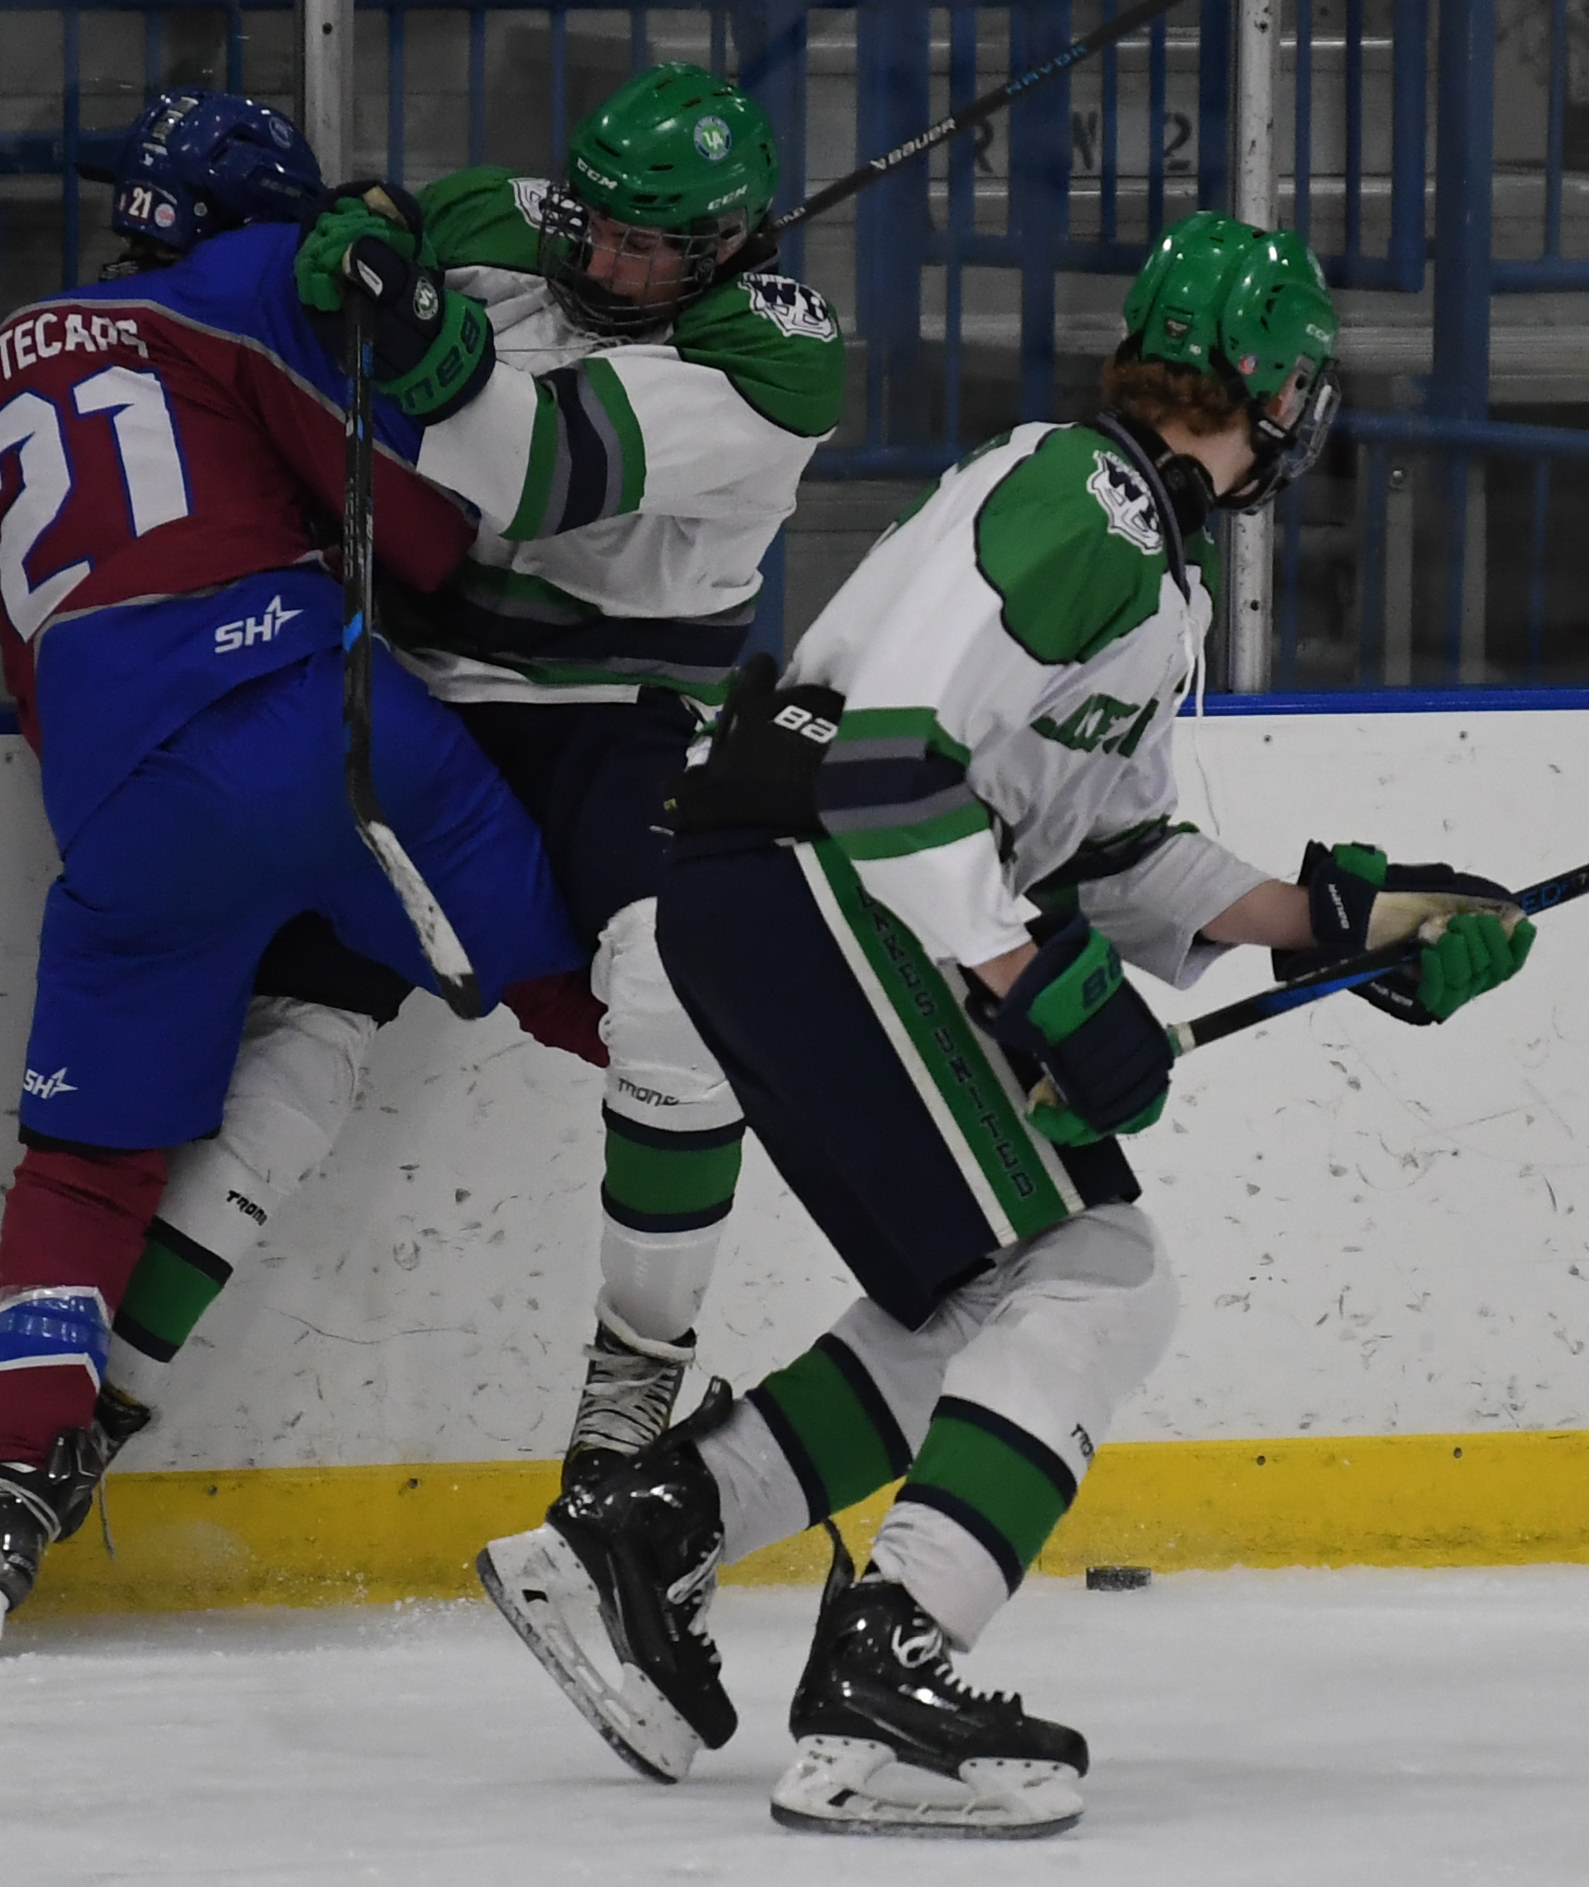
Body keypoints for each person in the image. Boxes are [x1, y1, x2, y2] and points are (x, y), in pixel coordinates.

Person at [477, 212, 1537, 1833]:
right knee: (1099, 1272)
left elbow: (1104, 854)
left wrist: (1343, 923)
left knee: (986, 1297)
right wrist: (1025, 977)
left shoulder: (1139, 556)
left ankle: (649, 1531)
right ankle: (889, 1672)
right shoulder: (1087, 501)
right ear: (1261, 390)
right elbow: (886, 761)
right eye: (1300, 389)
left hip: (793, 894)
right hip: (821, 885)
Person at [0, 89, 586, 1653]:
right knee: (596, 999)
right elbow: (418, 535)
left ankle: (6, 1494)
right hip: (319, 721)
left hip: (126, 801)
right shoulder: (248, 291)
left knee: (84, 1168)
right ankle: (904, 1137)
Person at [98, 62, 847, 1489]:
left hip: (615, 719)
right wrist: (367, 227)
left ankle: (629, 1401)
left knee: (674, 999)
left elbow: (539, 468)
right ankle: (103, 1413)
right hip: (420, 695)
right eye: (603, 229)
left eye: (650, 248)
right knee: (292, 1042)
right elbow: (388, 220)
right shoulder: (522, 222)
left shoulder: (778, 359)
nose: (612, 261)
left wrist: (424, 328)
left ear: (729, 248)